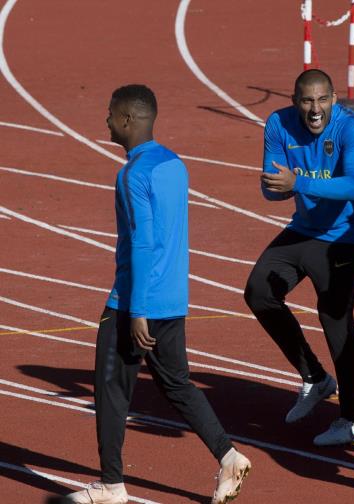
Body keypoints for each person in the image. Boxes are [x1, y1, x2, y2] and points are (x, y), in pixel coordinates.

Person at [66, 84, 250, 504]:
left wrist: (137, 310)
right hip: (173, 298)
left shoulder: (133, 173)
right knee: (178, 384)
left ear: (128, 119)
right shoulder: (175, 164)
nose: (106, 121)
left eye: (111, 114)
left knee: (111, 388)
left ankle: (112, 485)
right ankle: (228, 455)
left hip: (135, 300)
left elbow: (145, 241)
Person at [243, 69, 354, 446]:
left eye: (322, 100)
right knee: (258, 292)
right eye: (306, 100)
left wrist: (298, 182)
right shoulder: (277, 124)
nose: (315, 109)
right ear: (294, 101)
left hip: (349, 233)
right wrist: (279, 186)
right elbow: (271, 190)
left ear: (334, 99)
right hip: (304, 227)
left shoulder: (352, 127)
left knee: (334, 317)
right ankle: (315, 377)